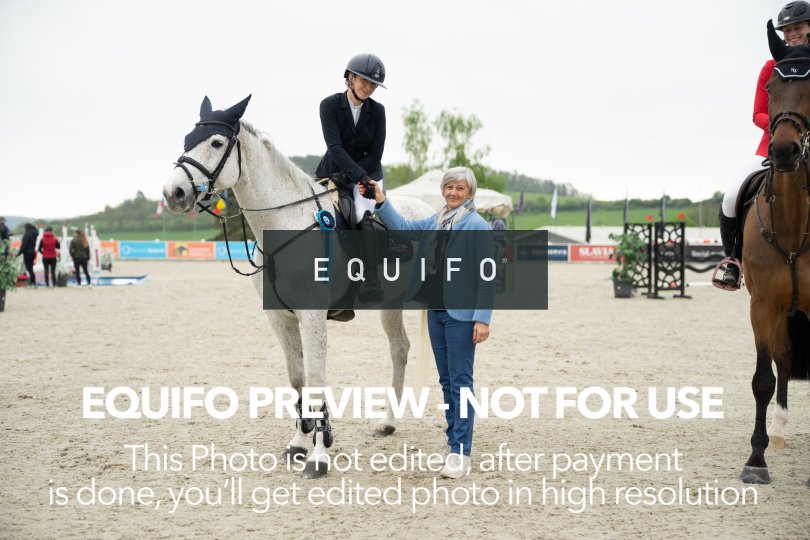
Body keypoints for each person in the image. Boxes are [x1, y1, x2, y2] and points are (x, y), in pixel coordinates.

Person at [360, 166, 493, 479]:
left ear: (469, 193)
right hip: (437, 311)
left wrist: (482, 319)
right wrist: (381, 201)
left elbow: (487, 274)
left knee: (461, 382)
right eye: (449, 187)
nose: (453, 193)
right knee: (446, 381)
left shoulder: (478, 226)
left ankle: (461, 452)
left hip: (462, 316)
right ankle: (452, 442)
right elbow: (403, 227)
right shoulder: (436, 221)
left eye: (459, 188)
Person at [716, 1, 810, 289]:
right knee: (731, 197)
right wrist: (784, 128)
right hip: (775, 145)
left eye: (797, 27)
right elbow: (758, 112)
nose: (791, 34)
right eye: (786, 30)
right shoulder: (771, 67)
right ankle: (733, 261)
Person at [315, 53, 387, 302]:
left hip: (368, 174)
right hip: (332, 172)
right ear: (350, 77)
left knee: (360, 213)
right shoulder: (329, 105)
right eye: (364, 80)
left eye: (373, 84)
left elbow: (376, 154)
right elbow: (335, 147)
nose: (369, 87)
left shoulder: (378, 111)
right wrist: (353, 174)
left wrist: (360, 177)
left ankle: (371, 281)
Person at [16, 223, 39, 288]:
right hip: (33, 252)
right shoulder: (34, 233)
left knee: (29, 268)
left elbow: (24, 245)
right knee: (31, 268)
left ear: (26, 227)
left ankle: (32, 283)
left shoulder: (27, 234)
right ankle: (32, 282)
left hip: (27, 253)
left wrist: (18, 253)